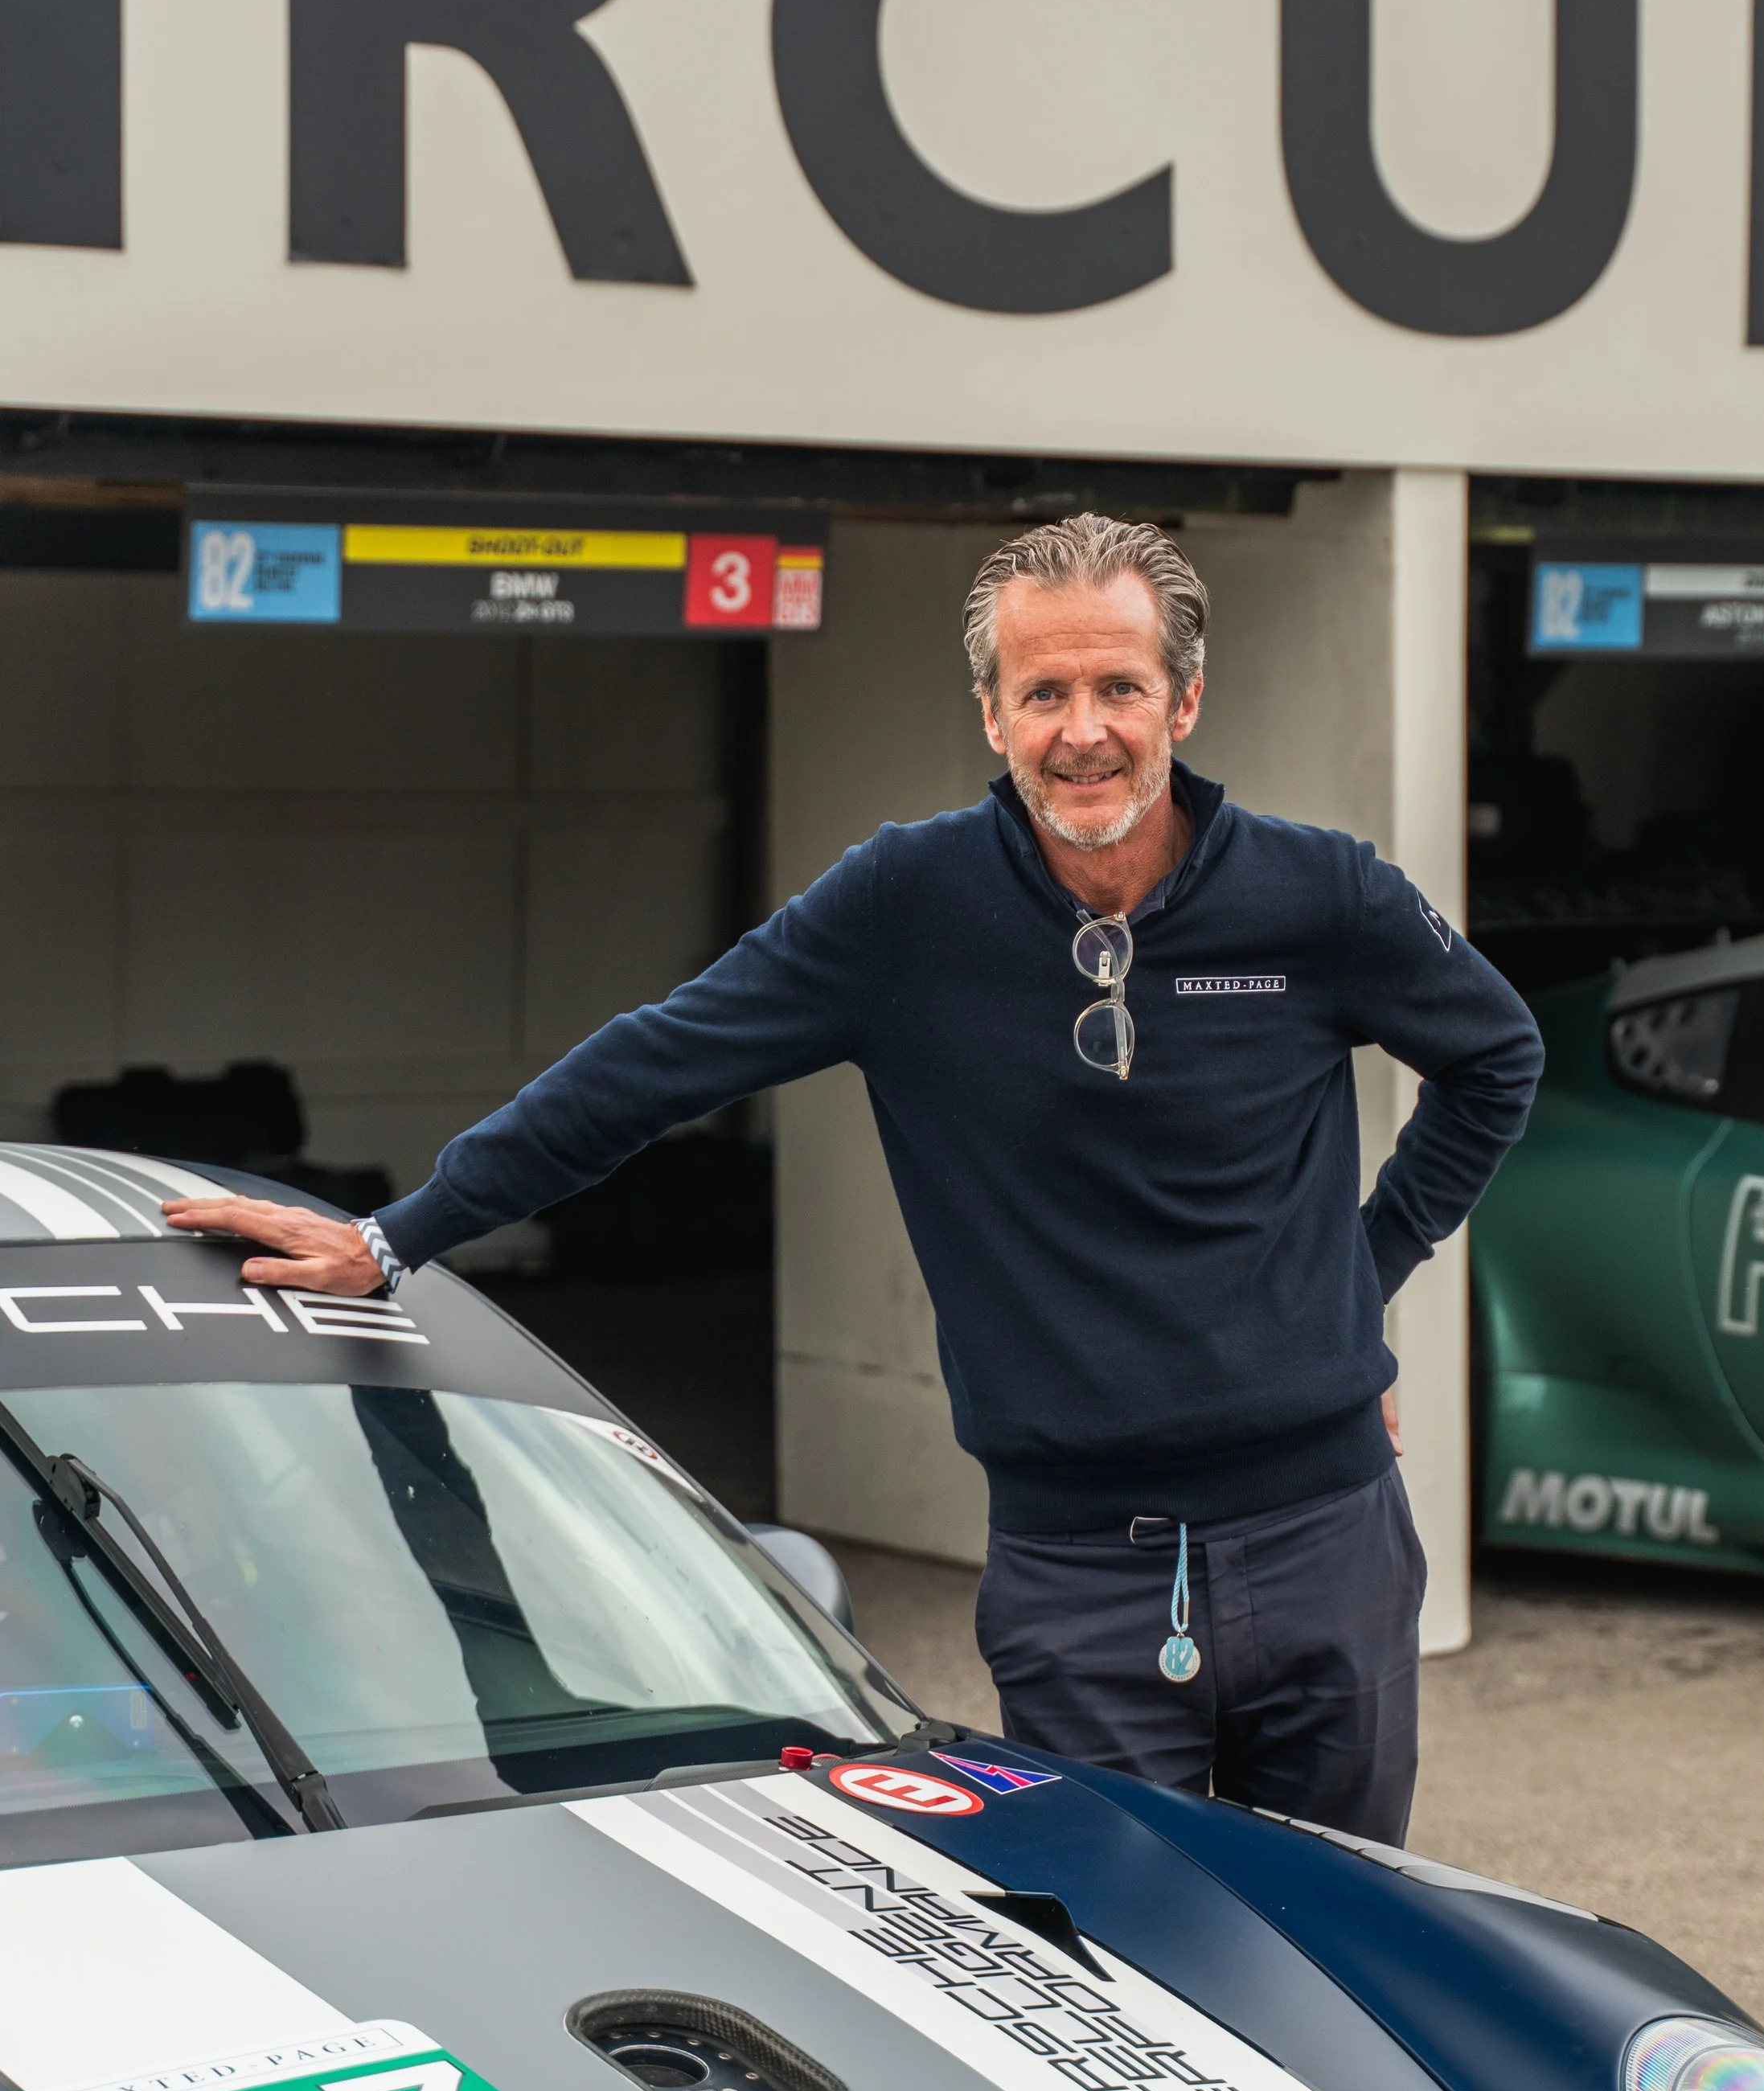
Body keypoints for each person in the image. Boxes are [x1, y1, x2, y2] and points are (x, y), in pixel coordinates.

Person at [165, 515, 1542, 1838]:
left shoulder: (1320, 895)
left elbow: (1497, 1056)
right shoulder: (904, 908)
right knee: (1129, 1950)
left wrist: (1357, 1275)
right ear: (993, 716)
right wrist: (396, 1236)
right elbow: (651, 1067)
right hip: (1081, 1578)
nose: (1083, 730)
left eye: (1119, 686)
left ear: (1183, 701)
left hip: (1329, 1543)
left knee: (1346, 1939)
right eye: (1043, 691)